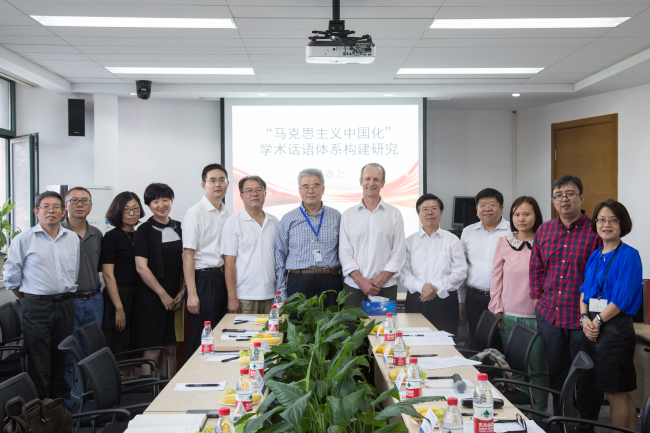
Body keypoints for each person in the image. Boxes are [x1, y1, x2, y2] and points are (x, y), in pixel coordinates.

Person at [530, 175, 602, 423]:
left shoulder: (595, 230)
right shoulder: (545, 229)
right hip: (550, 315)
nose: (564, 199)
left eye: (570, 194)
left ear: (581, 197)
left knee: (586, 376)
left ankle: (586, 426)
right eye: (559, 195)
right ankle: (561, 422)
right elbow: (536, 267)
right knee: (557, 374)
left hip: (582, 318)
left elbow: (602, 275)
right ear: (553, 201)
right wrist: (537, 301)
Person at [4, 191, 79, 399]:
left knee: (61, 358)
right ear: (36, 211)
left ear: (63, 212)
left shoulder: (72, 238)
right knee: (39, 363)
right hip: (36, 306)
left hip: (65, 304)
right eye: (46, 206)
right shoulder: (24, 239)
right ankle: (40, 412)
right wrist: (32, 299)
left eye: (56, 207)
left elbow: (73, 272)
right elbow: (12, 279)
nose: (51, 211)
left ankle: (57, 409)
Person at [579, 200, 642, 432]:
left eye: (613, 220)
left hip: (615, 329)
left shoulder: (629, 255)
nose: (606, 225)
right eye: (602, 220)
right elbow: (584, 291)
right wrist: (584, 319)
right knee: (614, 391)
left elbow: (622, 298)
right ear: (595, 223)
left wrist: (596, 321)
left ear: (622, 224)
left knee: (616, 392)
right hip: (595, 325)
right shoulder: (596, 255)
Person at [489, 196, 548, 413]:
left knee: (539, 369)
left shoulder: (545, 241)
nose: (521, 219)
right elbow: (496, 278)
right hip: (509, 315)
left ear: (536, 215)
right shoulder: (503, 242)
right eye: (516, 214)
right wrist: (497, 310)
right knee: (514, 369)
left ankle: (539, 415)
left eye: (526, 214)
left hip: (538, 315)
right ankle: (519, 414)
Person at [339, 163, 406, 308]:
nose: (371, 183)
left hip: (385, 286)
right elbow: (344, 253)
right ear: (361, 181)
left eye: (376, 179)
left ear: (383, 183)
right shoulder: (348, 215)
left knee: (384, 324)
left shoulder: (394, 214)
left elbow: (399, 252)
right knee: (352, 323)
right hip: (354, 287)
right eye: (367, 178)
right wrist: (361, 281)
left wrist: (380, 280)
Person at [134, 183, 184, 377]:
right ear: (148, 205)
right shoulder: (143, 231)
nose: (161, 205)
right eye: (155, 201)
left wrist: (183, 291)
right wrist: (162, 295)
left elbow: (189, 261)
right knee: (153, 348)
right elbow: (141, 267)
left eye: (165, 200)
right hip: (151, 297)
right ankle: (150, 392)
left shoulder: (180, 227)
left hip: (176, 296)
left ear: (172, 201)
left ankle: (170, 390)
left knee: (171, 347)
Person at [182, 164, 231, 359]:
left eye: (222, 180)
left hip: (221, 278)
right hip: (203, 280)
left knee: (219, 334)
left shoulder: (227, 214)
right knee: (200, 336)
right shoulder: (195, 213)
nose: (218, 184)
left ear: (227, 184)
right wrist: (192, 294)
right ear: (204, 185)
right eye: (213, 180)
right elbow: (187, 255)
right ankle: (192, 376)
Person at [60, 187, 103, 408]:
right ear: (65, 205)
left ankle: (92, 399)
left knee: (93, 352)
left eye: (84, 200)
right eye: (74, 200)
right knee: (69, 353)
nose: (79, 204)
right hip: (70, 301)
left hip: (94, 299)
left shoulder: (97, 234)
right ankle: (71, 404)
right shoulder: (58, 233)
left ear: (91, 206)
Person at [274, 168, 342, 307]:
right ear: (299, 190)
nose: (310, 191)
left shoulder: (336, 216)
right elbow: (280, 256)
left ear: (323, 189)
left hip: (330, 281)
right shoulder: (288, 218)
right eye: (305, 186)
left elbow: (344, 252)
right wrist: (281, 293)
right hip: (299, 282)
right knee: (298, 321)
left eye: (315, 186)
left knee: (331, 321)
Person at [401, 194, 467, 335]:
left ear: (441, 212)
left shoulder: (452, 240)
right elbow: (403, 271)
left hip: (445, 300)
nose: (429, 212)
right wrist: (422, 287)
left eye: (434, 209)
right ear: (418, 213)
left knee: (447, 343)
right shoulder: (409, 241)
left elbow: (460, 272)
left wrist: (435, 288)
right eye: (425, 209)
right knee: (415, 342)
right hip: (417, 299)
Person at [458, 188, 510, 348]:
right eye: (482, 205)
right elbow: (462, 268)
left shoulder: (513, 231)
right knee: (476, 344)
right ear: (477, 209)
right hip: (475, 298)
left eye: (492, 204)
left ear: (502, 208)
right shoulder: (468, 232)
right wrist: (462, 301)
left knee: (502, 344)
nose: (487, 209)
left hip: (504, 298)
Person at [221, 176, 279, 314]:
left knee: (272, 329)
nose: (254, 194)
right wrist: (232, 298)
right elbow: (229, 263)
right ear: (241, 196)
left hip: (271, 295)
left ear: (265, 194)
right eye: (249, 191)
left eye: (258, 190)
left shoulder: (275, 222)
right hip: (244, 296)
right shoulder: (232, 222)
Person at [101, 192, 145, 357]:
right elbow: (107, 275)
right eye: (126, 209)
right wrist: (119, 308)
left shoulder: (141, 235)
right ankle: (120, 374)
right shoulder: (111, 238)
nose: (132, 213)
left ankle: (133, 373)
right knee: (119, 343)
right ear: (118, 211)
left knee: (135, 344)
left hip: (138, 294)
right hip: (118, 295)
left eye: (135, 208)